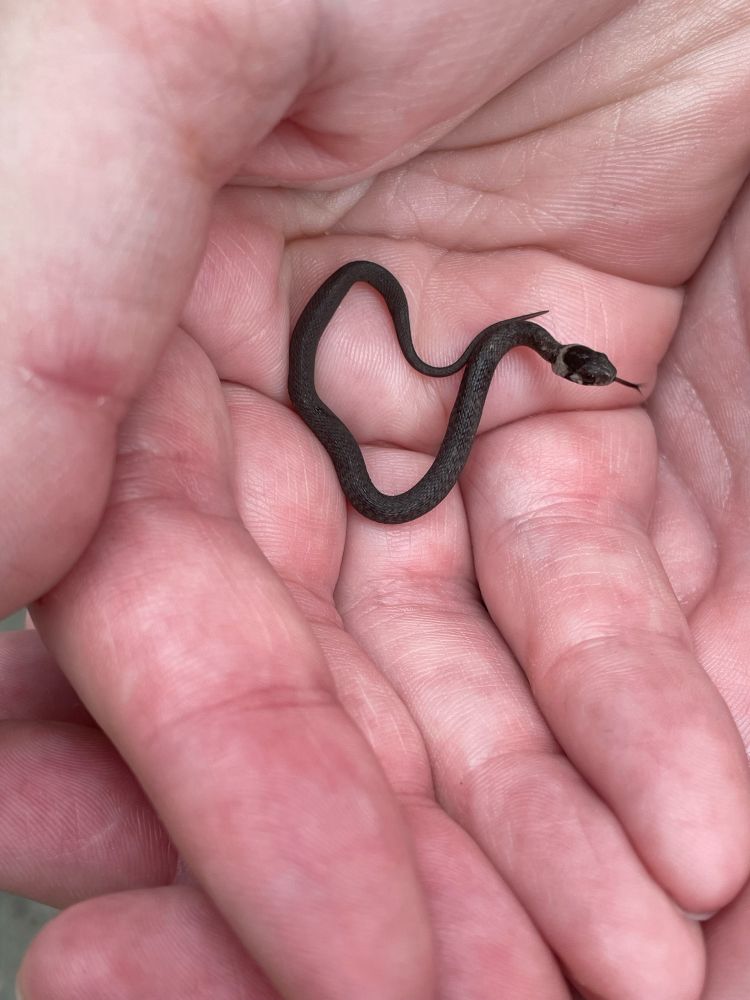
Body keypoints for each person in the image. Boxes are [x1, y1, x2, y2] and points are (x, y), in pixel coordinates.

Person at [2, 0, 749, 996]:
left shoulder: (523, 347)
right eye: (580, 368)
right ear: (554, 359)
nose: (583, 372)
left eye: (580, 369)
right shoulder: (506, 346)